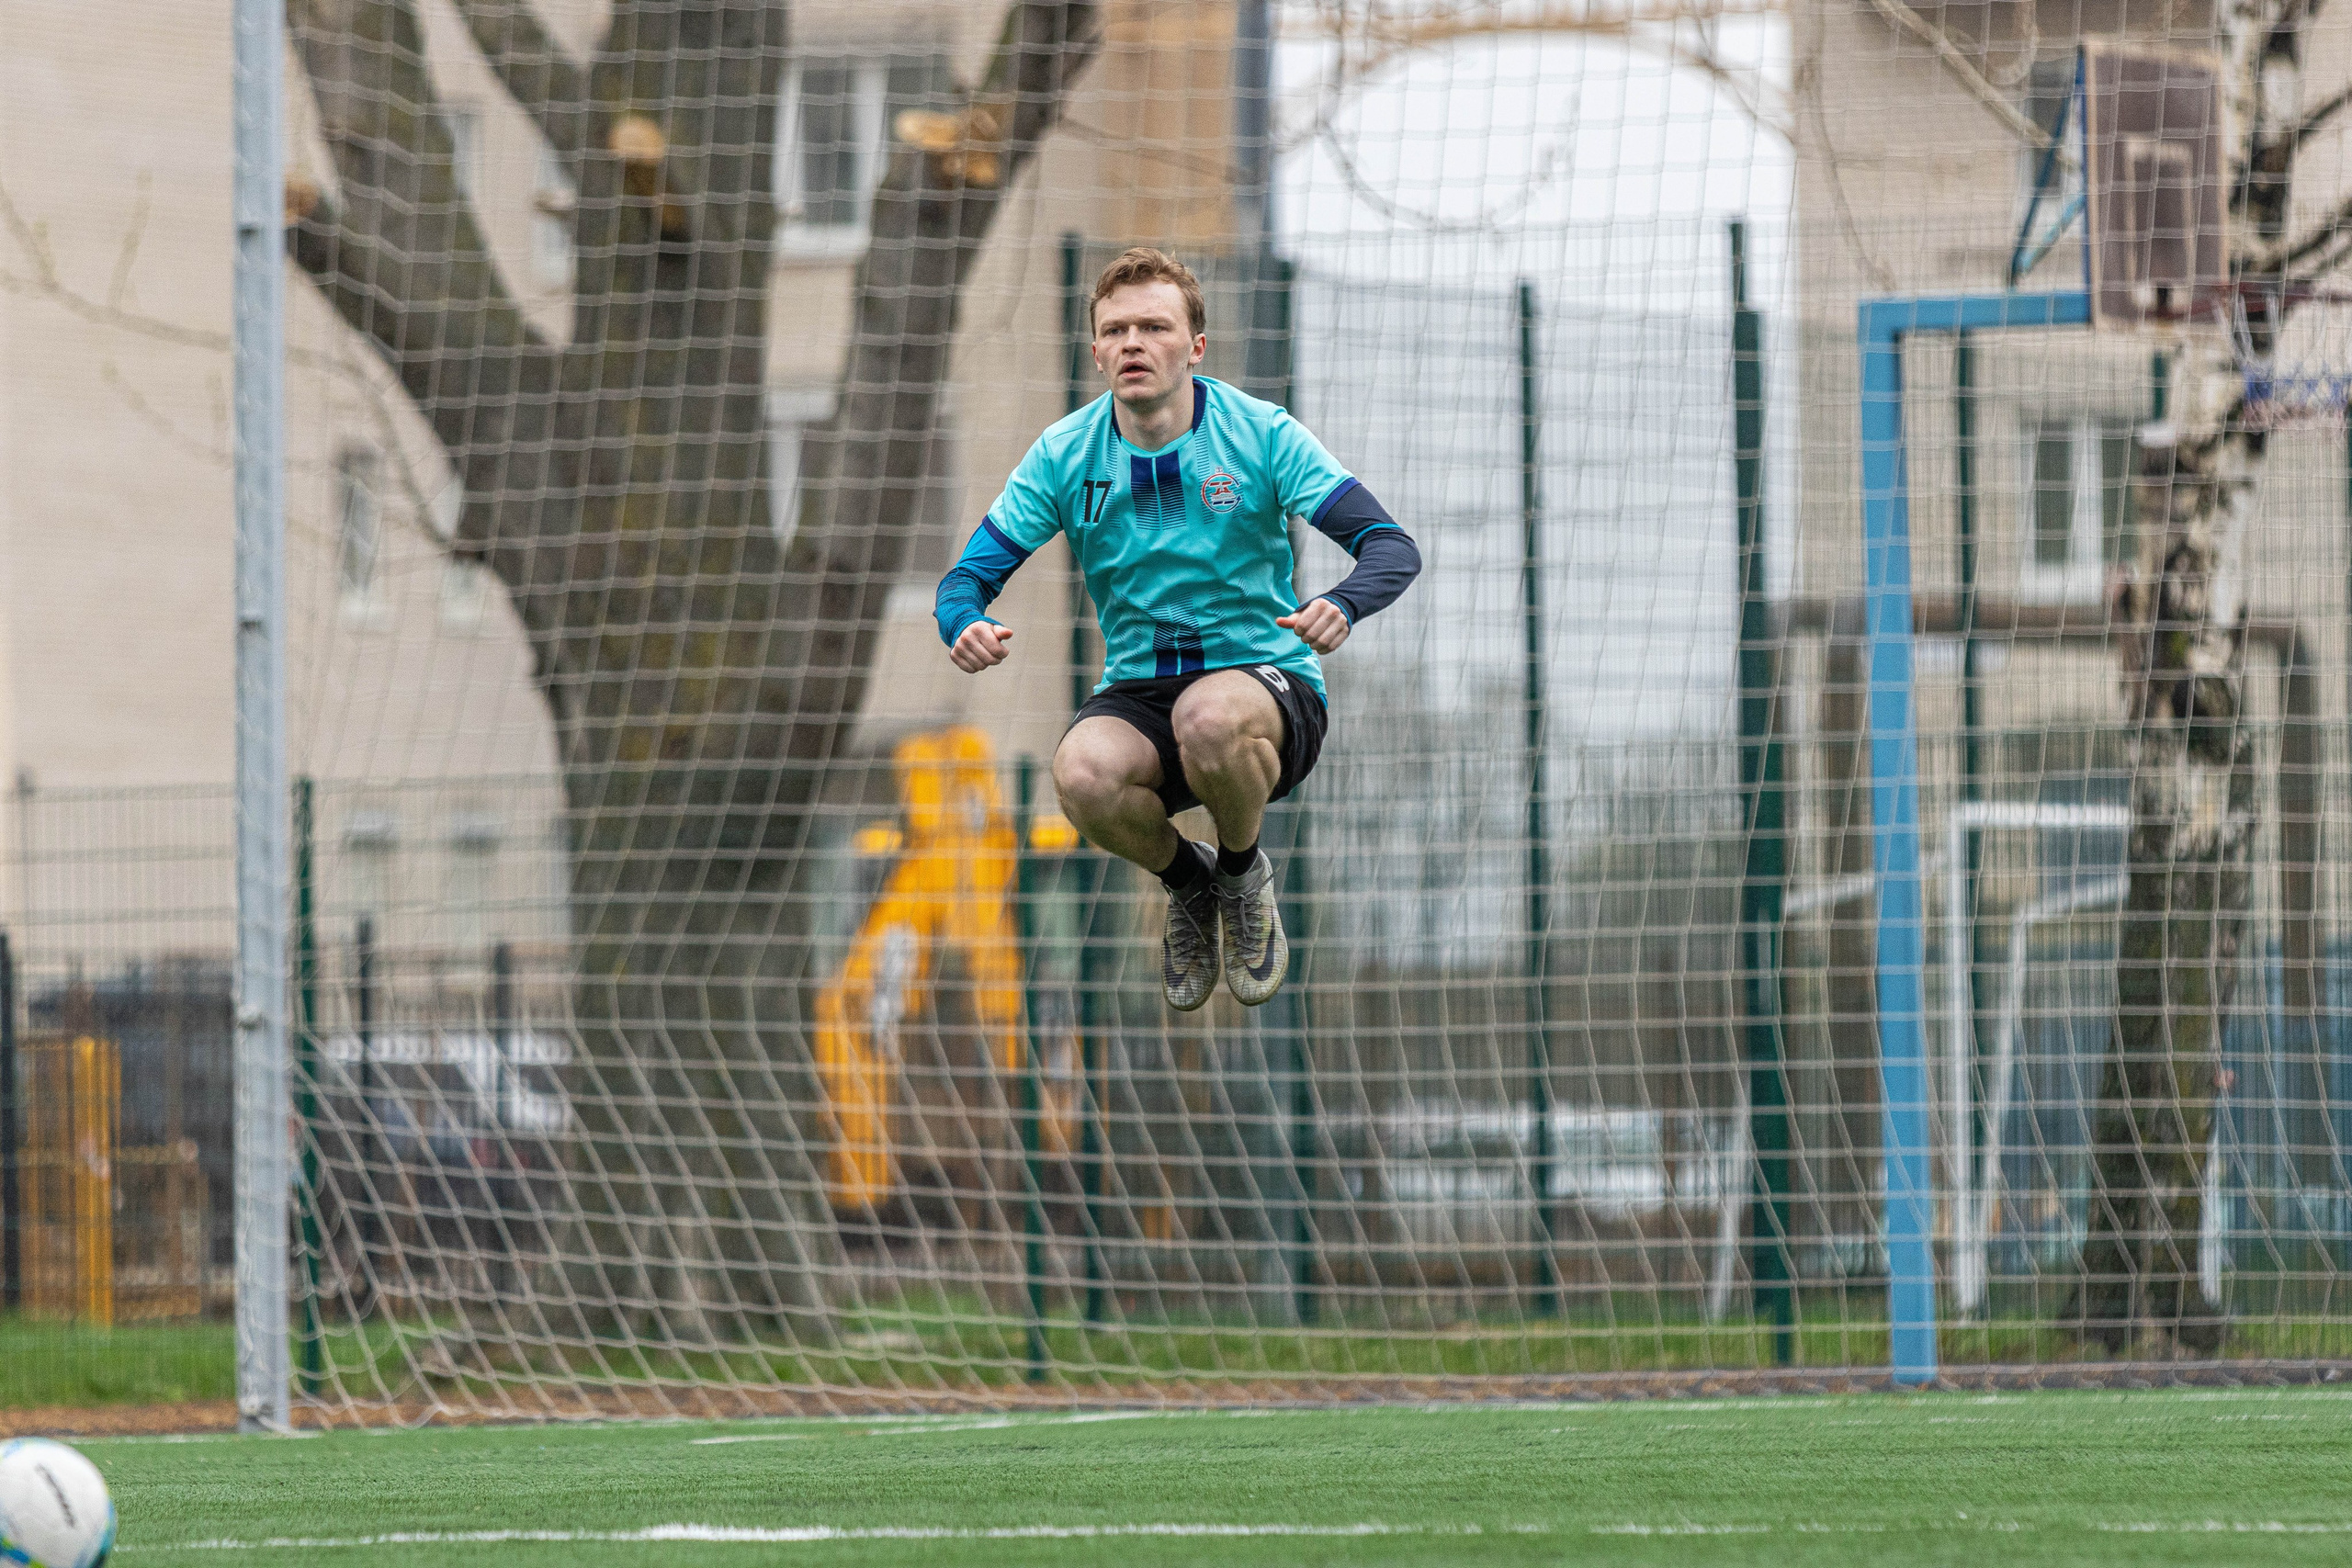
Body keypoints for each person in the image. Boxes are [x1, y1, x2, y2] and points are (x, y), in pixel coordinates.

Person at [934, 248, 1420, 1010]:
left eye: (1154, 326)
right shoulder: (1065, 454)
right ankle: (1192, 886)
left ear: (1195, 346)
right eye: (1116, 329)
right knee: (1082, 775)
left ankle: (1242, 871)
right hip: (1139, 688)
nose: (1134, 342)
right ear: (1095, 351)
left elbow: (1392, 546)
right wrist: (962, 622)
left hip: (1264, 683)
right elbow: (964, 581)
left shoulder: (1261, 435)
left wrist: (1346, 602)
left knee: (1211, 716)